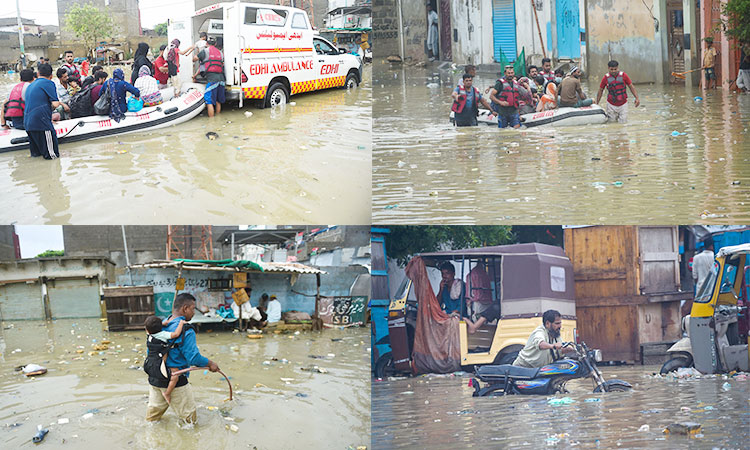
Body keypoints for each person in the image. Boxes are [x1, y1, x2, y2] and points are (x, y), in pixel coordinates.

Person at [146, 293, 220, 424]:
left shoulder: (159, 325)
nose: (193, 312)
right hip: (176, 382)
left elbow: (150, 349)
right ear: (185, 308)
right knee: (190, 422)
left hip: (155, 378)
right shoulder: (186, 330)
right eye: (192, 308)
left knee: (152, 421)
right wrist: (211, 364)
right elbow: (194, 358)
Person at [23, 63, 65, 159]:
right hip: (42, 124)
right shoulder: (49, 83)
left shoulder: (30, 85)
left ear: (38, 73)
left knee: (36, 156)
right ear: (51, 76)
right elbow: (55, 104)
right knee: (52, 157)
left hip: (28, 124)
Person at [144, 315, 186, 404]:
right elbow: (176, 334)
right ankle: (167, 393)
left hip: (149, 363)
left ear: (147, 329)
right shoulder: (163, 335)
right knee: (175, 376)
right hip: (160, 365)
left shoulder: (149, 335)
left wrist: (163, 323)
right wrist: (181, 323)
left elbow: (151, 328)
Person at [197, 37, 225, 117]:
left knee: (209, 101)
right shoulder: (220, 52)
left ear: (206, 43)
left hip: (212, 79)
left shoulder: (205, 51)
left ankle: (211, 121)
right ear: (215, 44)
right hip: (221, 79)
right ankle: (218, 117)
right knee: (218, 100)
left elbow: (194, 59)